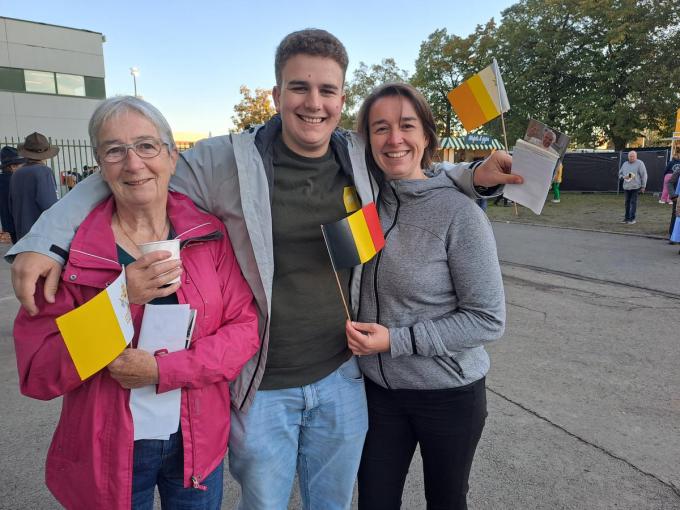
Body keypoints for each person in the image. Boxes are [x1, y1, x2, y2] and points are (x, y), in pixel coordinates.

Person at [6, 29, 520, 509]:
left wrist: (472, 175)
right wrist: (46, 239)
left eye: (327, 90)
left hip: (343, 374)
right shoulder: (223, 161)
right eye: (299, 87)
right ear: (276, 94)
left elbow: (411, 161)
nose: (313, 103)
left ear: (342, 99)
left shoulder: (359, 154)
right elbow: (136, 165)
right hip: (263, 386)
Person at [13, 96, 260, 509]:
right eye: (115, 150)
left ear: (171, 157)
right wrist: (120, 300)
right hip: (110, 450)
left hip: (195, 439)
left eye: (146, 146)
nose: (133, 164)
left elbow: (244, 329)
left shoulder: (207, 234)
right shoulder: (67, 255)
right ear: (99, 164)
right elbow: (38, 373)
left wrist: (163, 369)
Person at [347, 83, 505, 509]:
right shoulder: (366, 204)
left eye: (407, 125)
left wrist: (395, 341)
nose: (394, 138)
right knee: (375, 501)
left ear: (427, 137)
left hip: (449, 394)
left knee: (446, 501)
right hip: (378, 393)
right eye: (380, 128)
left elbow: (487, 318)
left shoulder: (460, 215)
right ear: (367, 141)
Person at [9, 132, 59, 240]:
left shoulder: (16, 173)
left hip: (22, 233)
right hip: (40, 235)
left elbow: (11, 204)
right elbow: (50, 206)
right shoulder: (44, 171)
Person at [0, 146, 25, 243]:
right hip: (21, 224)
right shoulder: (15, 180)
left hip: (10, 225)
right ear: (12, 166)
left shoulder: (2, 180)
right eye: (21, 164)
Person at [618, 150, 647, 224]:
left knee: (633, 202)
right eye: (630, 156)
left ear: (636, 156)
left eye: (633, 156)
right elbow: (620, 174)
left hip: (635, 186)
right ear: (628, 157)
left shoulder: (640, 163)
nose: (631, 158)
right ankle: (626, 218)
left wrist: (643, 186)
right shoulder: (625, 164)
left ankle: (632, 219)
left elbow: (644, 175)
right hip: (626, 187)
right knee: (627, 203)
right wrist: (623, 177)